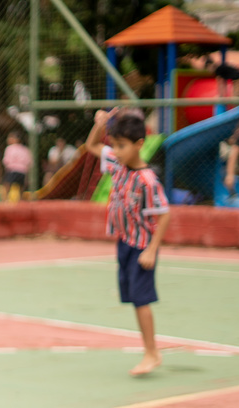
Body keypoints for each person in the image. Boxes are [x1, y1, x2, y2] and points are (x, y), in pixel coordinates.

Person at [85, 110, 171, 377]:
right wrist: (100, 125)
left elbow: (164, 214)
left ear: (139, 144)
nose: (117, 151)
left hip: (141, 246)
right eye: (114, 145)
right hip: (124, 242)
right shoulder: (116, 163)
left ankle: (152, 353)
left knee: (141, 301)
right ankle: (150, 350)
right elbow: (91, 146)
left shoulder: (147, 181)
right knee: (135, 299)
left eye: (122, 146)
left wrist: (151, 250)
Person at [1, 132, 32, 202]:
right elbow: (29, 161)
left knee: (7, 184)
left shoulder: (9, 148)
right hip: (23, 171)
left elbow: (6, 161)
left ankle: (5, 200)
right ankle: (20, 200)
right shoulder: (25, 149)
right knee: (21, 187)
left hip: (12, 170)